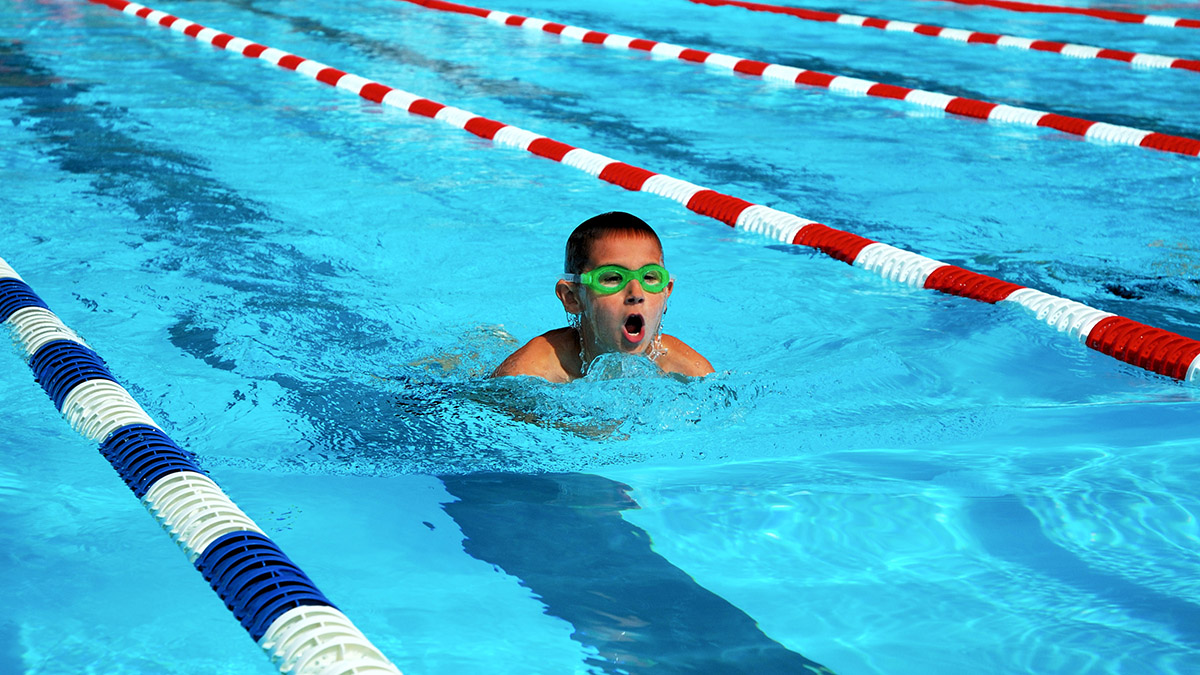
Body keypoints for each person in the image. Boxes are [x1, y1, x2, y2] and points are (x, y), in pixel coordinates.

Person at [491, 212, 714, 382]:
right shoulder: (528, 373)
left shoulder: (691, 371)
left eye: (650, 277)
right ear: (572, 298)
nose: (636, 294)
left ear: (667, 292)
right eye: (612, 278)